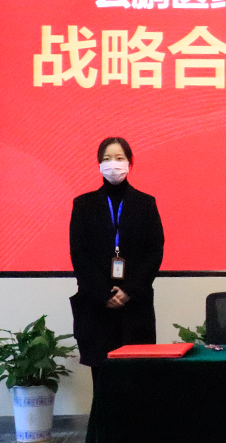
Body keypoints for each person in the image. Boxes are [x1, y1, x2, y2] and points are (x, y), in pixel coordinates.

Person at [69, 137, 165, 375]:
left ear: (130, 162)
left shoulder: (146, 203)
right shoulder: (83, 205)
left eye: (119, 158)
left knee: (136, 378)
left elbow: (155, 251)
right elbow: (79, 253)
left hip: (135, 305)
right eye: (107, 159)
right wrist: (104, 293)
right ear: (99, 164)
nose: (113, 164)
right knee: (102, 378)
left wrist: (129, 290)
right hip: (96, 306)